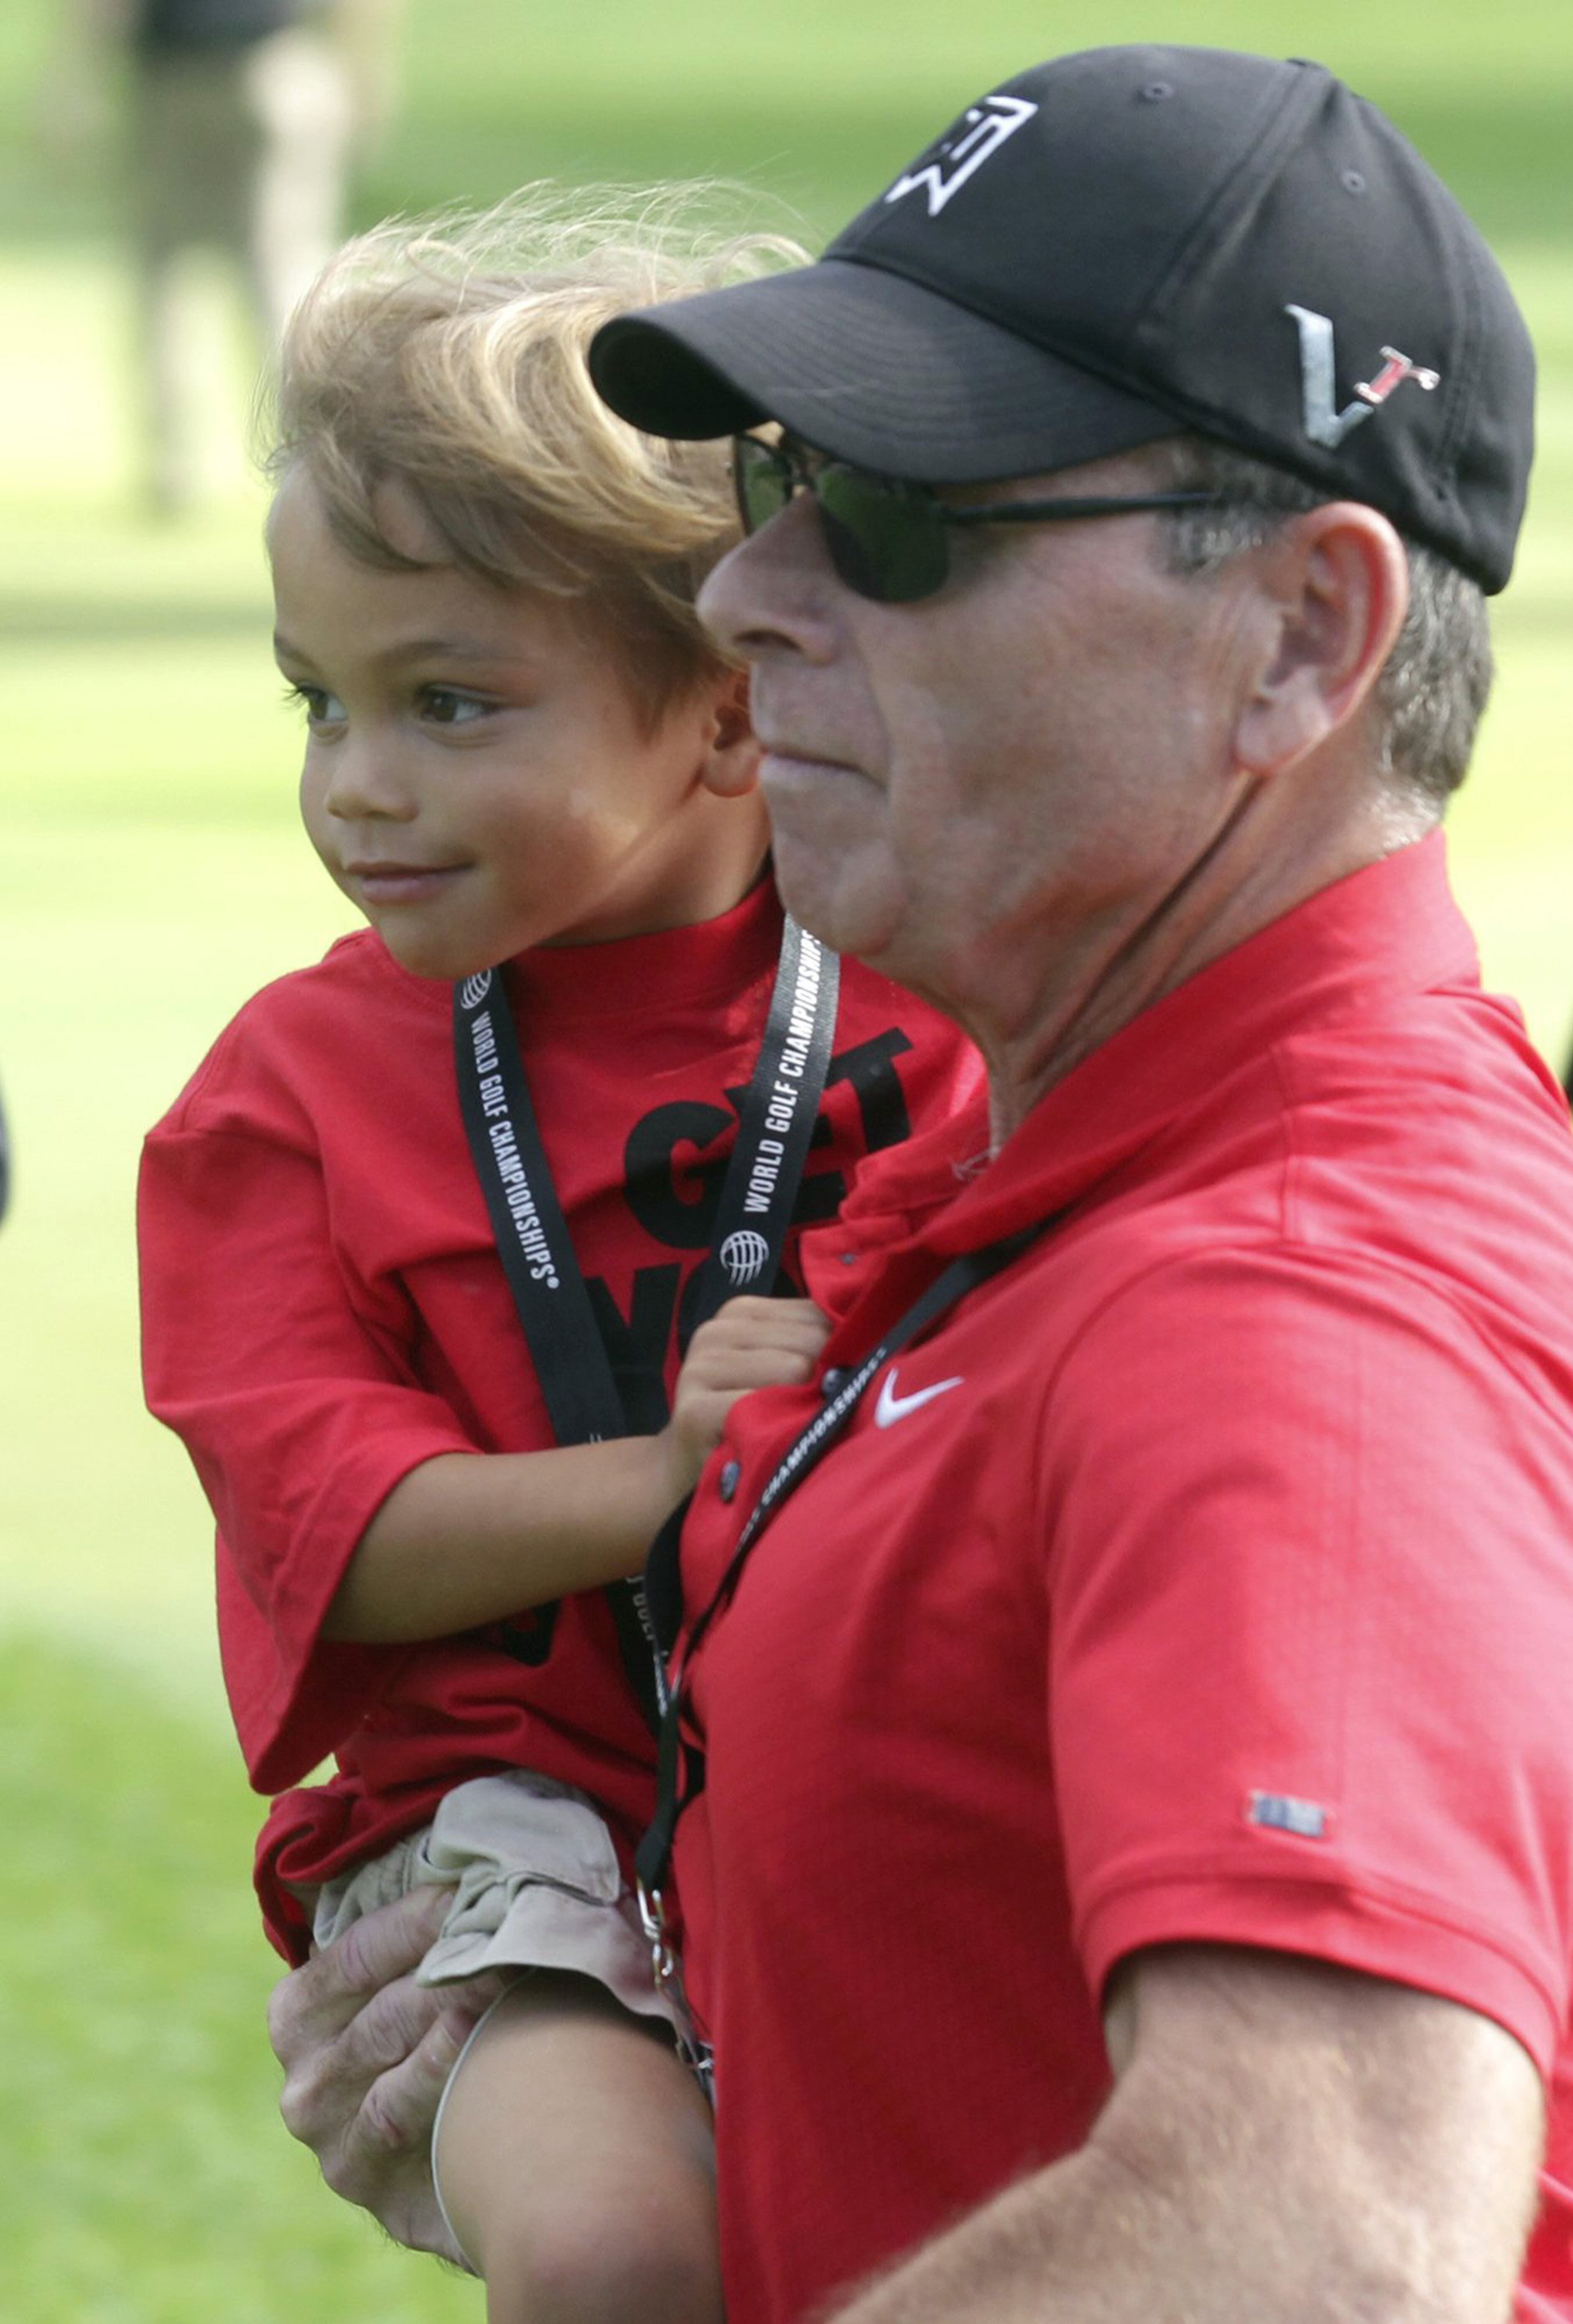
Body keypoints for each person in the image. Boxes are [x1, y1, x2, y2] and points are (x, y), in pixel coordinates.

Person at [266, 45, 1573, 2324]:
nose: (749, 588)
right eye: (781, 473)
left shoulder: (1294, 1313)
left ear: (1302, 632)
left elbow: (1322, 2254)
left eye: (904, 519)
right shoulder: (1039, 1158)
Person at [137, 194, 979, 2319]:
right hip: (504, 1823)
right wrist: (667, 1471)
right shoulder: (285, 1099)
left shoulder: (942, 999)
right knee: (619, 2254)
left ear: (721, 709)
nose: (357, 788)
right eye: (314, 703)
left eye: (446, 703)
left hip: (864, 1775)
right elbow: (346, 1531)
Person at [62, 0, 397, 513]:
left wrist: (78, 74)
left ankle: (172, 463)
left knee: (169, 270)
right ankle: (306, 456)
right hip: (270, 65)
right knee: (281, 271)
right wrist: (364, 73)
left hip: (174, 72)